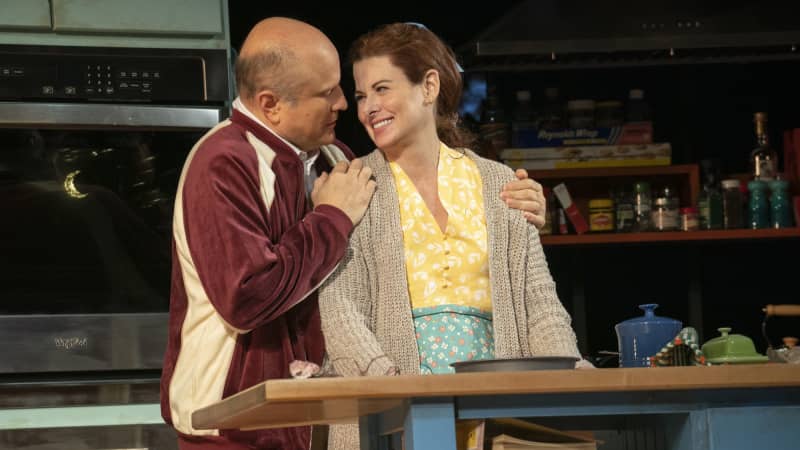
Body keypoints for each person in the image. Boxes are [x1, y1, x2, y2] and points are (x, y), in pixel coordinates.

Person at [160, 17, 547, 450]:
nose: (346, 104)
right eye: (330, 93)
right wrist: (330, 218)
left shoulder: (332, 159)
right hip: (236, 427)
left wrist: (522, 208)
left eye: (350, 89)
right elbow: (246, 295)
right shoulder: (224, 162)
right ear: (271, 105)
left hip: (313, 420)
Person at [318, 22, 588, 449]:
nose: (369, 107)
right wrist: (391, 387)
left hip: (494, 409)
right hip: (388, 413)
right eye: (362, 95)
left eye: (382, 89)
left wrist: (570, 372)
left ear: (428, 86)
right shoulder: (354, 186)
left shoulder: (501, 184)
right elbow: (339, 309)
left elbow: (541, 307)